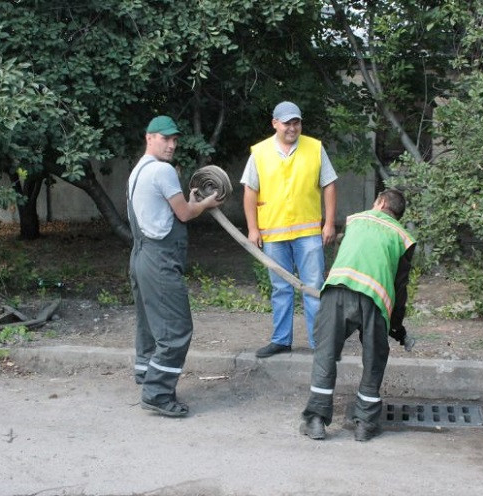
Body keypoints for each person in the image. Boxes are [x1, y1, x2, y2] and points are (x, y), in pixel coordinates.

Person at [300, 188, 416, 442]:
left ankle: (316, 420)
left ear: (380, 202)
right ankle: (365, 424)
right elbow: (400, 286)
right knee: (374, 358)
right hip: (375, 299)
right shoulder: (404, 237)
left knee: (326, 354)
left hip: (337, 291)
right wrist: (396, 327)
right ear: (397, 214)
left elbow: (343, 253)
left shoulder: (354, 220)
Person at [127, 115, 222, 417]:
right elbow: (183, 214)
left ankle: (145, 372)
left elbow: (168, 207)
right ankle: (156, 393)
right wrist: (205, 204)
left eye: (174, 139)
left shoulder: (138, 171)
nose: (171, 144)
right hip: (159, 259)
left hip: (140, 255)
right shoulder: (163, 170)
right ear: (149, 138)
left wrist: (191, 200)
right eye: (165, 138)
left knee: (149, 324)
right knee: (176, 329)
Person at [240, 101, 338, 358]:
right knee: (281, 288)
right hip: (273, 233)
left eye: (296, 122)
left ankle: (320, 344)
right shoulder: (259, 153)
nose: (292, 128)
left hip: (308, 234)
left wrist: (328, 223)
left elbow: (329, 185)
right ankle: (281, 340)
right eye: (287, 123)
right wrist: (253, 229)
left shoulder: (315, 148)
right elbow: (250, 191)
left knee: (313, 287)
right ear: (275, 123)